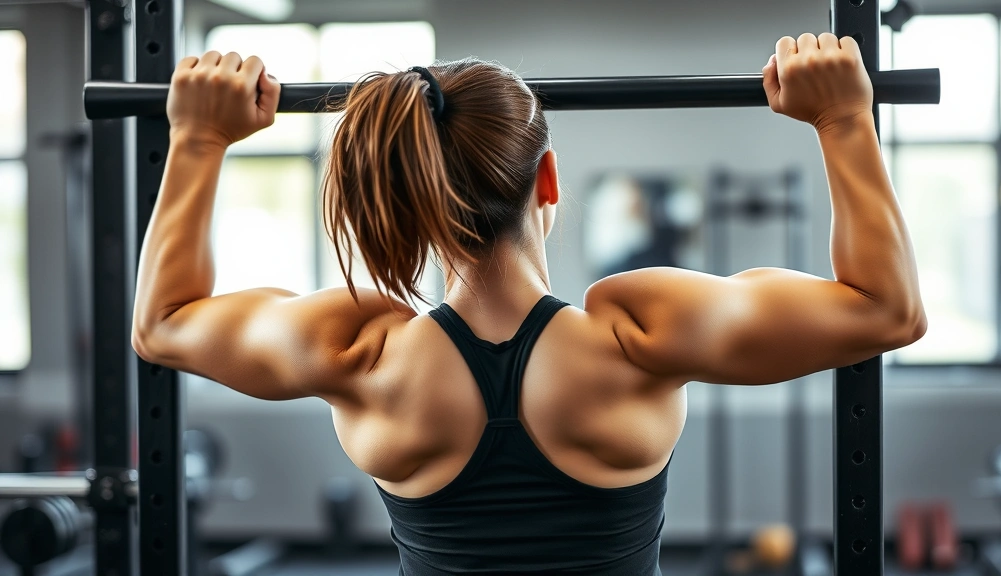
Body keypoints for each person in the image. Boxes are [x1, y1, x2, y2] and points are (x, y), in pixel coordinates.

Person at [132, 33, 926, 575]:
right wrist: (843, 119)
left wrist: (198, 142)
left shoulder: (360, 351)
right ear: (547, 181)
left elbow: (163, 323)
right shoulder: (639, 333)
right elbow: (888, 310)